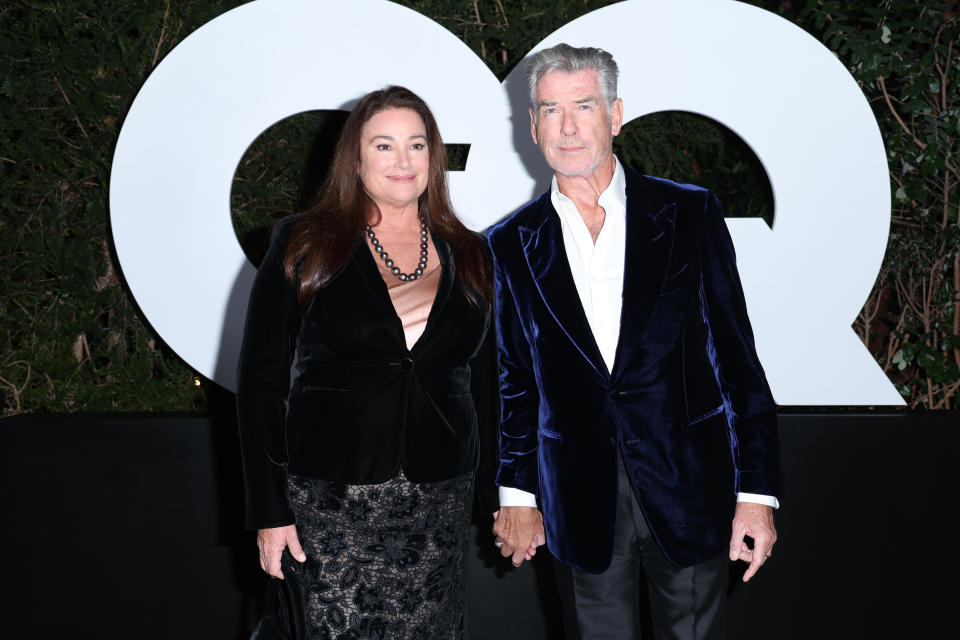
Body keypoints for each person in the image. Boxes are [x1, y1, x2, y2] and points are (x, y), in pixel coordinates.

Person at [488, 44, 784, 639]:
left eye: (584, 105)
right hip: (577, 498)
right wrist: (516, 492)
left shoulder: (690, 213)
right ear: (532, 125)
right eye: (550, 109)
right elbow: (514, 380)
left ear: (616, 115)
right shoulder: (509, 243)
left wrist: (757, 493)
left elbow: (737, 361)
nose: (568, 127)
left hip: (691, 490)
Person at [236, 85, 498, 640]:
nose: (403, 162)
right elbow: (261, 383)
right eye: (384, 146)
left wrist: (504, 497)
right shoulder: (305, 242)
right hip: (330, 505)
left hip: (437, 502)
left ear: (435, 156)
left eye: (417, 145)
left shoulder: (471, 252)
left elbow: (487, 383)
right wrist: (269, 509)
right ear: (355, 157)